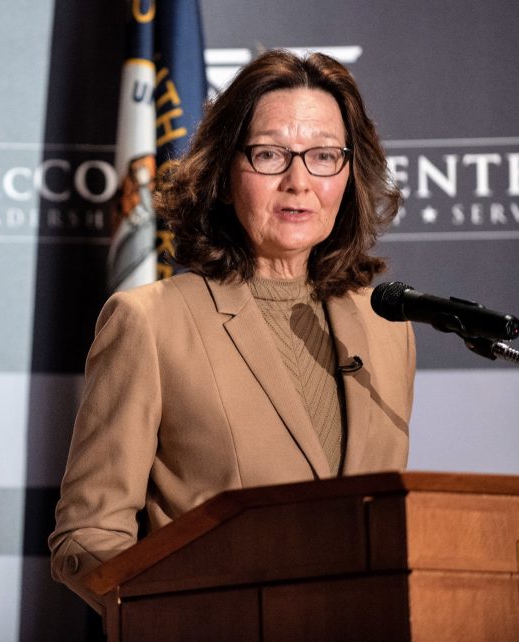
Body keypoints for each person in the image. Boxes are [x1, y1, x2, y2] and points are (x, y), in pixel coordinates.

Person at [49, 49, 415, 611]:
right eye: (270, 155)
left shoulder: (387, 325)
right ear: (223, 176)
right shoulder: (150, 323)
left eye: (323, 156)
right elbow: (87, 535)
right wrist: (176, 618)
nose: (299, 181)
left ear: (350, 174)